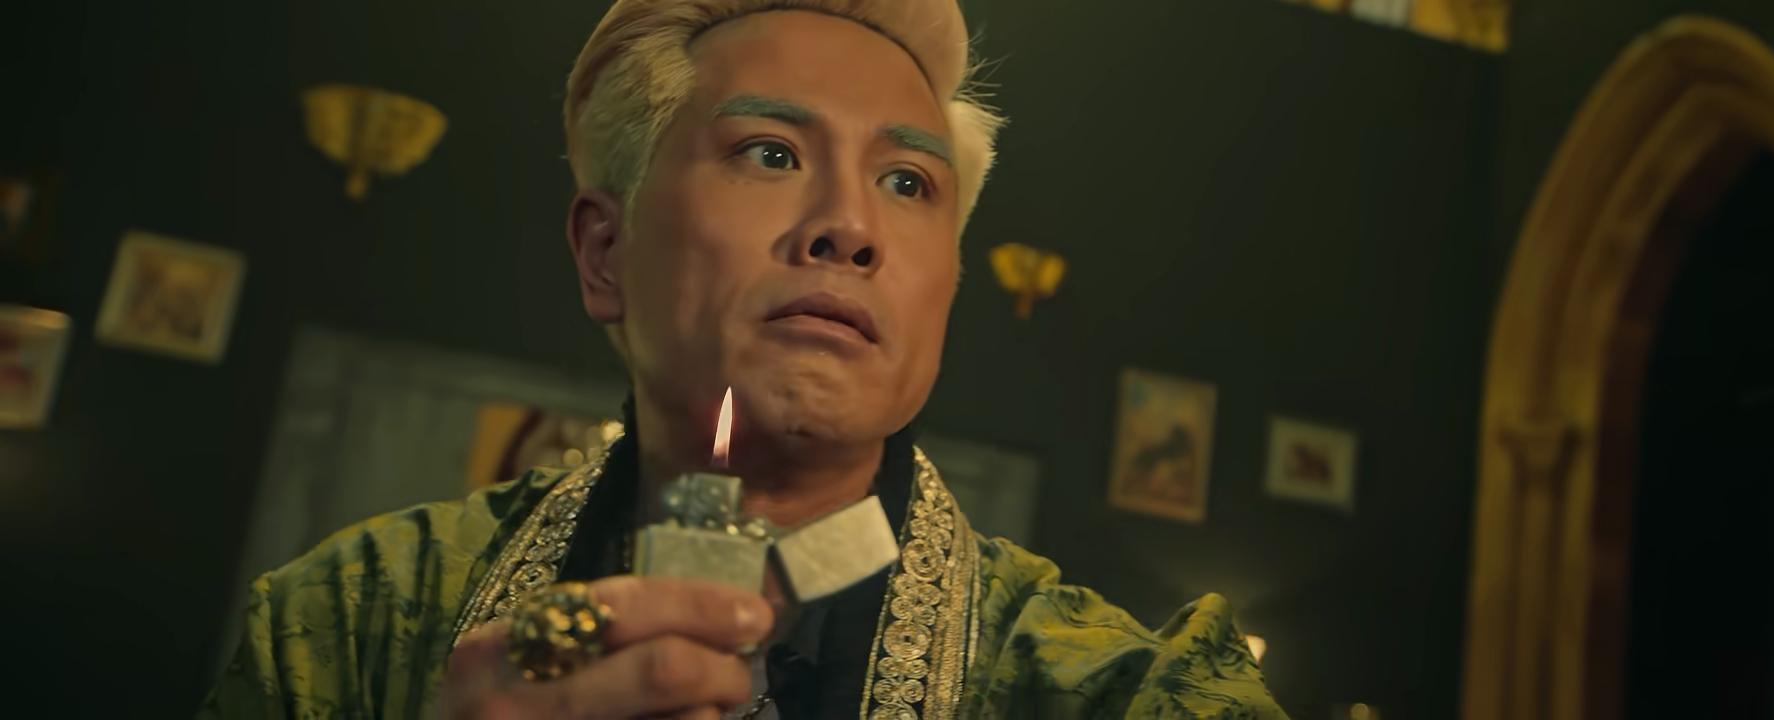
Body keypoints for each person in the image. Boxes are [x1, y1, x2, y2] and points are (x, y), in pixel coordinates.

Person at [197, 1, 1285, 717]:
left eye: (908, 183)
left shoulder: (1125, 695)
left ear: (948, 283)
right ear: (606, 253)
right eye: (771, 153)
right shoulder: (341, 630)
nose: (849, 226)